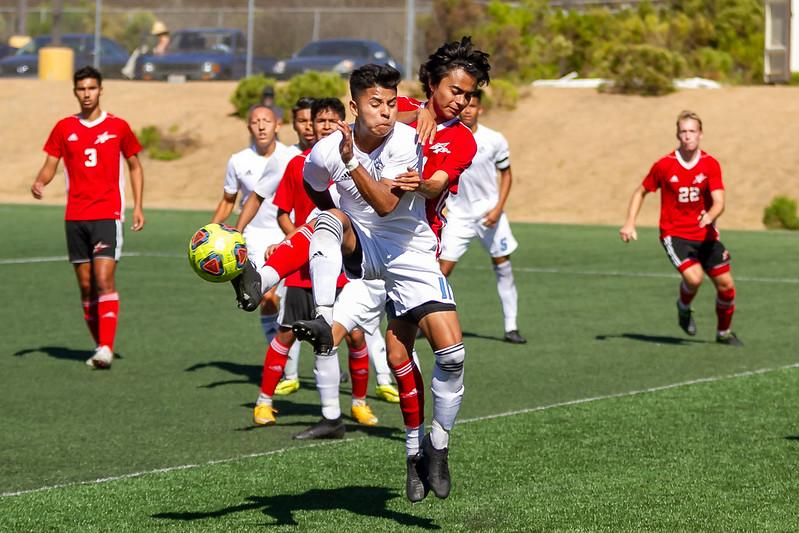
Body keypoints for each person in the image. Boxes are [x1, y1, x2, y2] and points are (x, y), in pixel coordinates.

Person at [245, 98, 384, 430]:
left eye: (331, 120)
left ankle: (357, 404)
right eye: (318, 120)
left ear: (344, 123)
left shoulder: (357, 164)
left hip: (343, 269)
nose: (323, 125)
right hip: (304, 270)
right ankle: (264, 402)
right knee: (287, 333)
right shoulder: (298, 165)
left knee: (351, 337)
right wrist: (295, 241)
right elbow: (282, 212)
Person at [30, 66, 145, 369]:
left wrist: (138, 206)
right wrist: (41, 181)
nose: (86, 94)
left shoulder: (118, 126)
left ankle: (106, 347)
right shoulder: (63, 128)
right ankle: (100, 345)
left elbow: (134, 166)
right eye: (81, 89)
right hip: (75, 216)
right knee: (85, 286)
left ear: (101, 90)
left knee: (104, 278)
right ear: (75, 92)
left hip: (107, 214)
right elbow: (50, 164)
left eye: (91, 88)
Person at [620, 110, 742, 346]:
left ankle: (723, 333)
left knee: (727, 286)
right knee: (694, 279)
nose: (688, 136)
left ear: (701, 134)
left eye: (692, 131)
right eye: (683, 131)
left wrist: (711, 215)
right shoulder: (665, 165)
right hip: (675, 234)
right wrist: (629, 222)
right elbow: (641, 191)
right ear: (677, 134)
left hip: (706, 234)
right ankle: (683, 306)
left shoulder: (710, 164)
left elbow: (720, 201)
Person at [438, 90, 526, 344]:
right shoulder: (447, 136)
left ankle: (511, 327)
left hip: (490, 214)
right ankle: (427, 320)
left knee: (503, 267)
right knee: (440, 271)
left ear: (480, 109)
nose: (467, 109)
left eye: (473, 106)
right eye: (464, 104)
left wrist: (498, 207)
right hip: (457, 215)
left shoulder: (494, 139)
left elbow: (506, 174)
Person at [211, 105, 294, 343]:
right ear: (249, 127)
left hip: (286, 233)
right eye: (255, 121)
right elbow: (229, 200)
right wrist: (211, 231)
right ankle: (280, 363)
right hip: (253, 238)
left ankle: (310, 360)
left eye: (266, 121)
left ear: (277, 125)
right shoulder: (238, 161)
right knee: (266, 298)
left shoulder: (290, 156)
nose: (261, 126)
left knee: (294, 304)